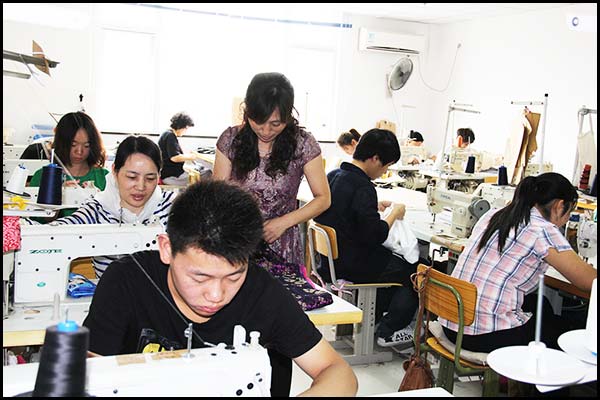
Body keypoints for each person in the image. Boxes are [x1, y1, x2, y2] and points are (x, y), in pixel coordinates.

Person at [82, 180, 358, 397]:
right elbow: (86, 375)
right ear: (167, 249)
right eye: (200, 277)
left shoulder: (261, 292)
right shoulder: (127, 281)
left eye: (233, 277)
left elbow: (338, 372)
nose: (216, 295)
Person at [438, 172, 597, 354]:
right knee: (566, 333)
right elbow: (589, 282)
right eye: (569, 212)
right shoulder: (542, 230)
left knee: (540, 304)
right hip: (482, 336)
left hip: (452, 323)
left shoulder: (494, 214)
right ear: (559, 206)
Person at [314, 128, 420, 347]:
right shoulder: (363, 187)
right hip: (353, 265)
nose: (384, 172)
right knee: (416, 271)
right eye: (386, 166)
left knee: (396, 263)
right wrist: (394, 213)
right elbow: (376, 234)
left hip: (330, 262)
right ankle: (388, 331)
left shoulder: (334, 176)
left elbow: (343, 213)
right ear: (375, 159)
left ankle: (374, 320)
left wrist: (374, 207)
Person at [213, 72, 331, 265]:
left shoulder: (303, 144)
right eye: (258, 122)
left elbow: (323, 198)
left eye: (275, 124)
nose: (266, 131)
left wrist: (284, 222)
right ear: (247, 112)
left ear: (288, 115)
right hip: (238, 242)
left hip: (282, 243)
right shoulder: (231, 140)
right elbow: (218, 197)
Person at [23, 135, 177, 278]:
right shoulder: (98, 210)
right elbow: (55, 231)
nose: (141, 186)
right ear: (115, 172)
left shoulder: (173, 208)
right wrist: (19, 226)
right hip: (112, 295)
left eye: (150, 178)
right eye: (132, 177)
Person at [158, 112, 207, 185]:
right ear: (181, 126)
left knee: (200, 170)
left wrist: (187, 156)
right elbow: (174, 158)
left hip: (168, 174)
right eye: (186, 128)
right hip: (171, 177)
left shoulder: (166, 133)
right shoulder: (170, 136)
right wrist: (191, 157)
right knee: (207, 173)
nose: (186, 131)